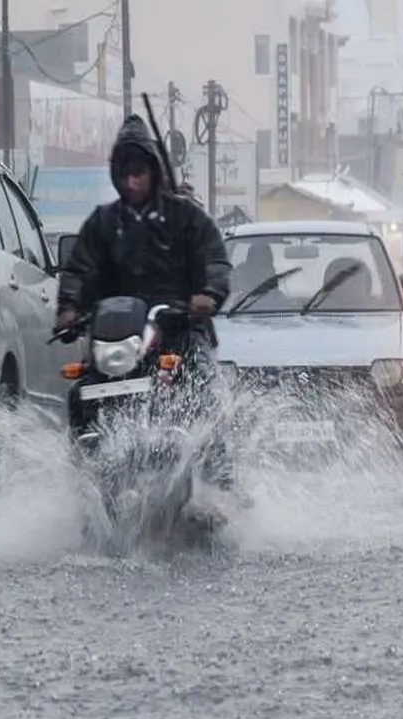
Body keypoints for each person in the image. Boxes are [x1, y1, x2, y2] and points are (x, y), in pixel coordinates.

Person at [53, 114, 235, 485]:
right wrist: (70, 308)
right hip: (119, 335)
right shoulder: (103, 222)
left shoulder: (184, 216)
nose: (131, 182)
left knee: (203, 382)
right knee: (80, 391)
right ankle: (83, 481)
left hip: (178, 326)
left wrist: (207, 295)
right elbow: (79, 269)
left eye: (138, 173)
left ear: (153, 170)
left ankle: (219, 483)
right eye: (124, 174)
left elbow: (214, 258)